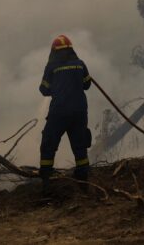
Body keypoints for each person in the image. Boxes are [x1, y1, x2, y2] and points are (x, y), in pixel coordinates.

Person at [38, 34, 92, 194]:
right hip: (79, 111)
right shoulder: (80, 64)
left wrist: (58, 88)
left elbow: (43, 89)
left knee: (49, 144)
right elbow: (87, 84)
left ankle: (46, 183)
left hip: (59, 112)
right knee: (80, 146)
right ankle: (84, 182)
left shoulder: (52, 67)